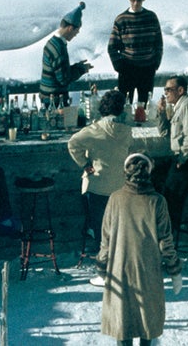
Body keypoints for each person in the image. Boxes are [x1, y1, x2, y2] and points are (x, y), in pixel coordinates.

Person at [99, 152, 182, 346]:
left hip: (119, 270)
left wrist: (102, 266)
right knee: (147, 323)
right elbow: (165, 241)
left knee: (123, 324)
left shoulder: (115, 199)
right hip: (148, 272)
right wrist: (174, 270)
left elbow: (106, 239)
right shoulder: (157, 201)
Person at [70, 87, 134, 256]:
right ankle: (117, 257)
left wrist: (84, 164)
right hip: (120, 186)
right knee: (118, 226)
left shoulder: (94, 130)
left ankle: (101, 254)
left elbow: (73, 143)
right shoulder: (127, 132)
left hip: (98, 186)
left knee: (99, 226)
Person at [153, 76, 188, 233]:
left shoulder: (187, 105)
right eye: (165, 90)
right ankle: (163, 225)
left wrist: (182, 159)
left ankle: (170, 231)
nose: (166, 93)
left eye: (169, 89)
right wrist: (161, 113)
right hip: (182, 157)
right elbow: (165, 133)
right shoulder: (178, 107)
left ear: (180, 90)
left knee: (171, 193)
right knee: (154, 173)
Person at [108, 0, 163, 107]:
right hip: (128, 69)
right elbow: (112, 47)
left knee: (144, 106)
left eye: (139, 0)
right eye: (133, 0)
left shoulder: (151, 17)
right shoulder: (122, 19)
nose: (136, 3)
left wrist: (156, 63)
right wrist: (119, 66)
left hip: (147, 68)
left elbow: (158, 43)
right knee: (124, 106)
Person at [41, 2, 91, 107]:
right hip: (55, 101)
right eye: (77, 31)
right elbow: (64, 79)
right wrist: (81, 69)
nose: (76, 34)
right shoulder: (59, 49)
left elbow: (59, 70)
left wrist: (77, 66)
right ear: (70, 28)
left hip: (47, 97)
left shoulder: (52, 42)